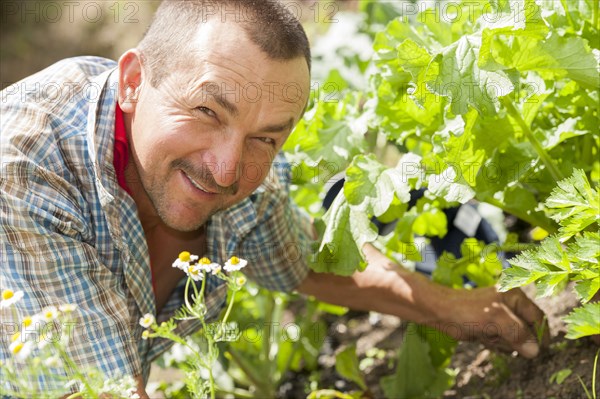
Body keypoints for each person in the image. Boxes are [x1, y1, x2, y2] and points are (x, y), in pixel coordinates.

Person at [0, 1, 548, 397]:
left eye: (267, 138)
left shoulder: (240, 175)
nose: (227, 168)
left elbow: (297, 262)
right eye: (208, 111)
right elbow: (101, 390)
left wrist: (452, 309)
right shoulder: (28, 165)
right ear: (135, 81)